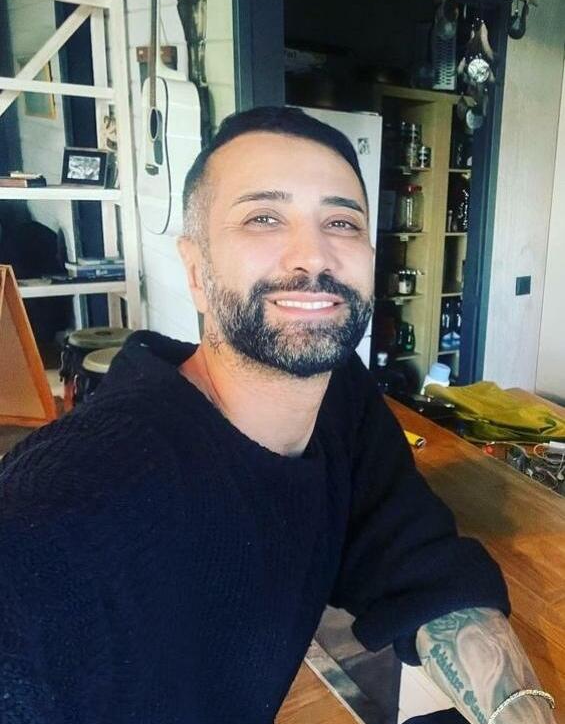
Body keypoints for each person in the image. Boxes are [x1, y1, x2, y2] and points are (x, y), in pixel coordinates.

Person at [0, 107, 556, 724]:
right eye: (263, 217)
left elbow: (418, 563)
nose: (312, 256)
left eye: (341, 222)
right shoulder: (75, 499)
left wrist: (522, 711)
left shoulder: (338, 399)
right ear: (196, 271)